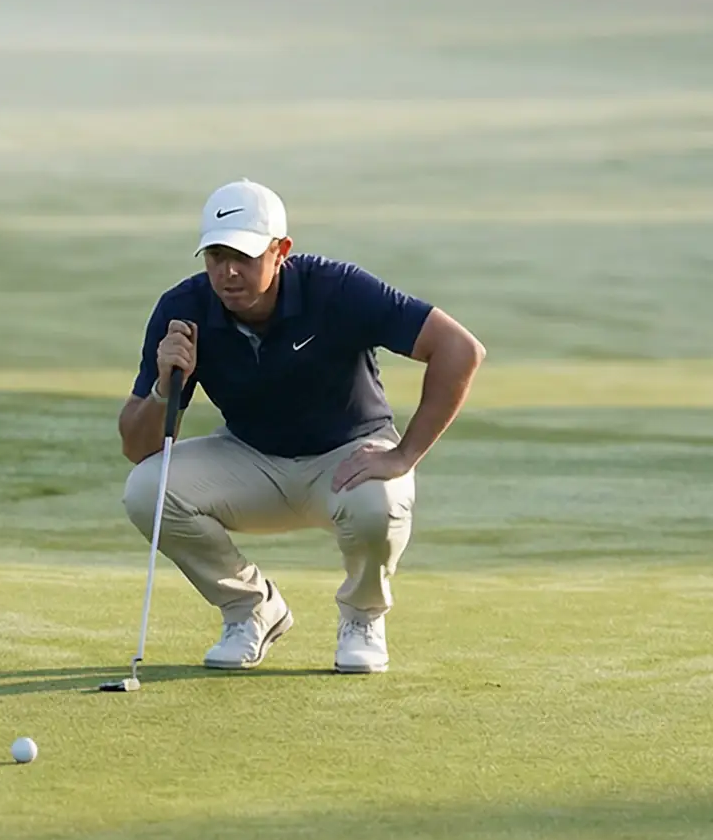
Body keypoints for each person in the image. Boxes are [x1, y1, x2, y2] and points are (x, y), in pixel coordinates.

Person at [120, 181, 485, 675]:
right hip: (251, 459)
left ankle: (362, 617)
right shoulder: (183, 309)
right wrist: (165, 386)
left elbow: (459, 349)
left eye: (244, 257)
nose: (228, 273)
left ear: (281, 251)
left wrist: (404, 456)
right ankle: (250, 610)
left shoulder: (336, 289)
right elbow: (139, 448)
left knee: (379, 503)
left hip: (347, 456)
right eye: (216, 256)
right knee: (148, 490)